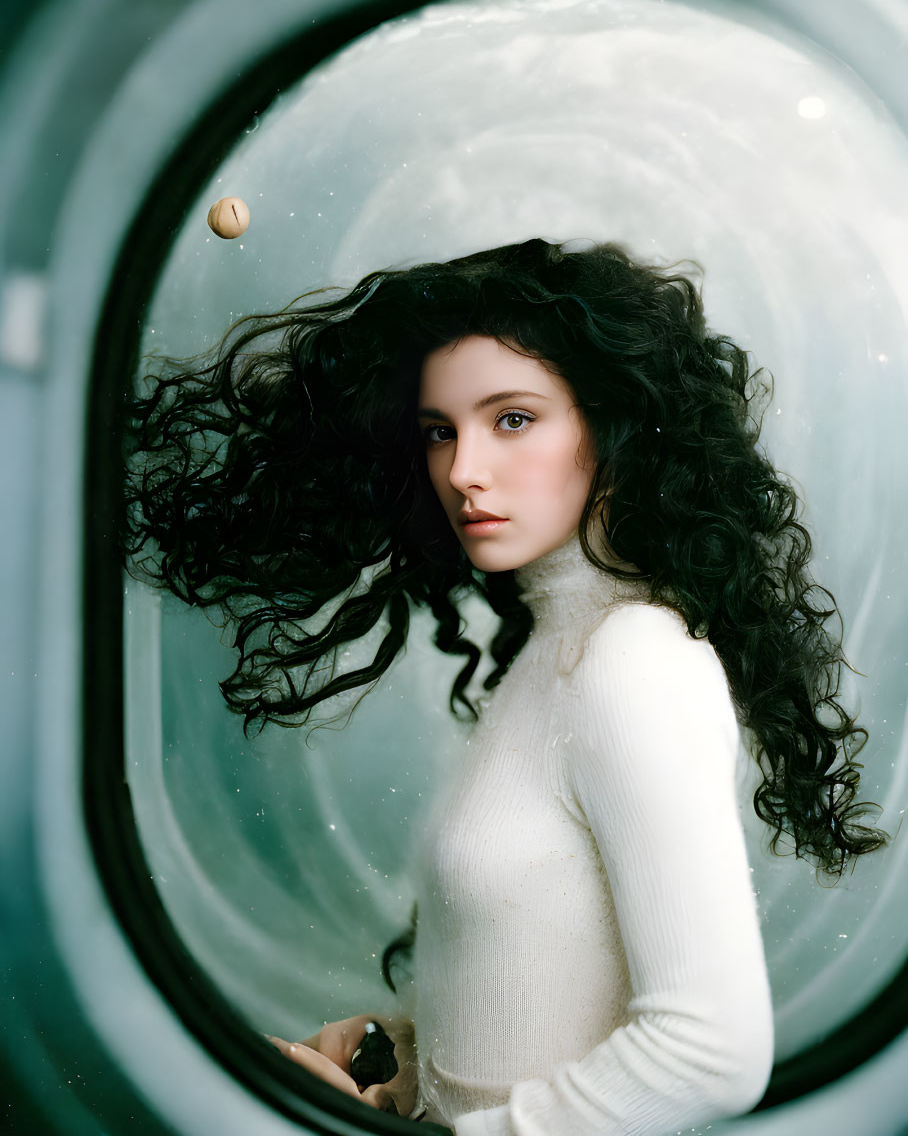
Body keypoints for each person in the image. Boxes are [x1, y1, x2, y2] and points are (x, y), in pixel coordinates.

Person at [122, 238, 887, 1134]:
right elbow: (548, 992)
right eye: (440, 430)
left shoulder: (633, 657)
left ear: (611, 425)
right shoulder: (557, 650)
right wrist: (409, 1063)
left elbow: (709, 1052)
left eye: (512, 419)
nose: (463, 469)